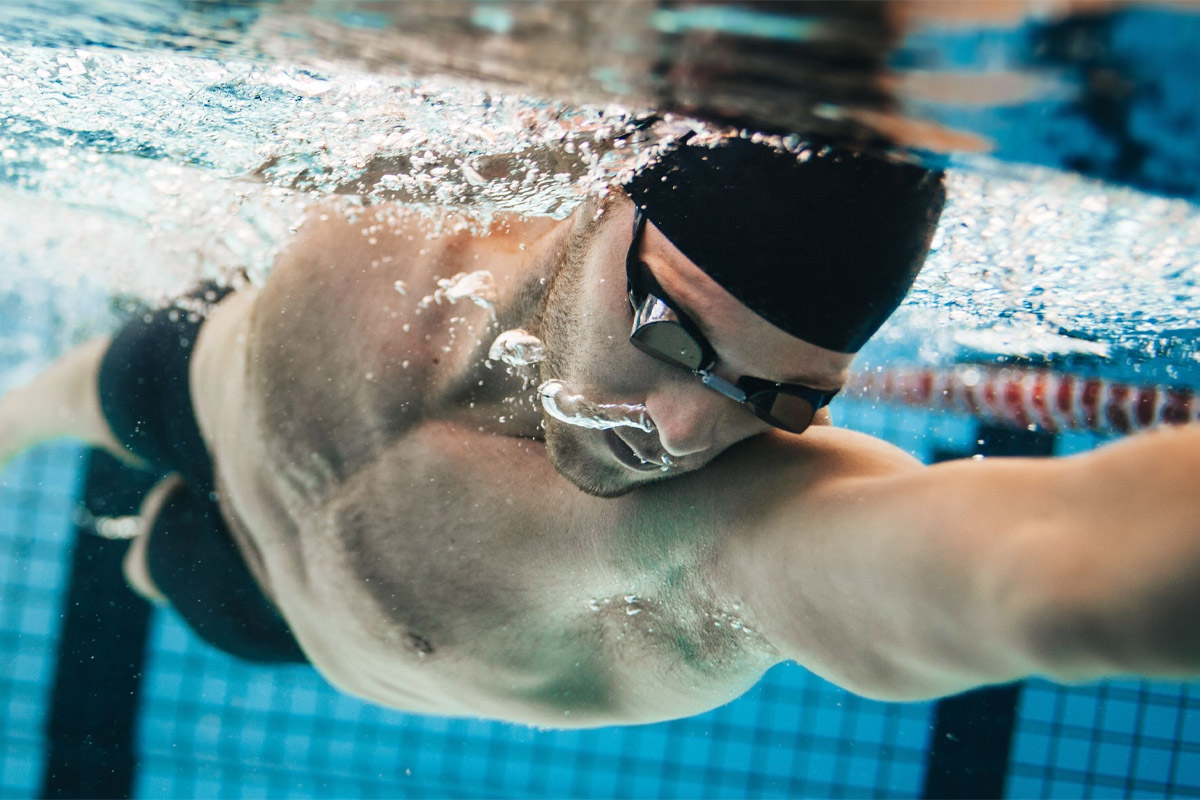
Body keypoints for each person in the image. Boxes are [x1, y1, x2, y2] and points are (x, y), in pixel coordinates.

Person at [1, 133, 1197, 728]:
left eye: (777, 397)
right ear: (602, 200)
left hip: (269, 613)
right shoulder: (442, 166)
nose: (682, 429)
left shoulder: (715, 537)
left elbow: (1032, 564)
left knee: (155, 555)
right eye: (674, 333)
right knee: (60, 398)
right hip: (196, 376)